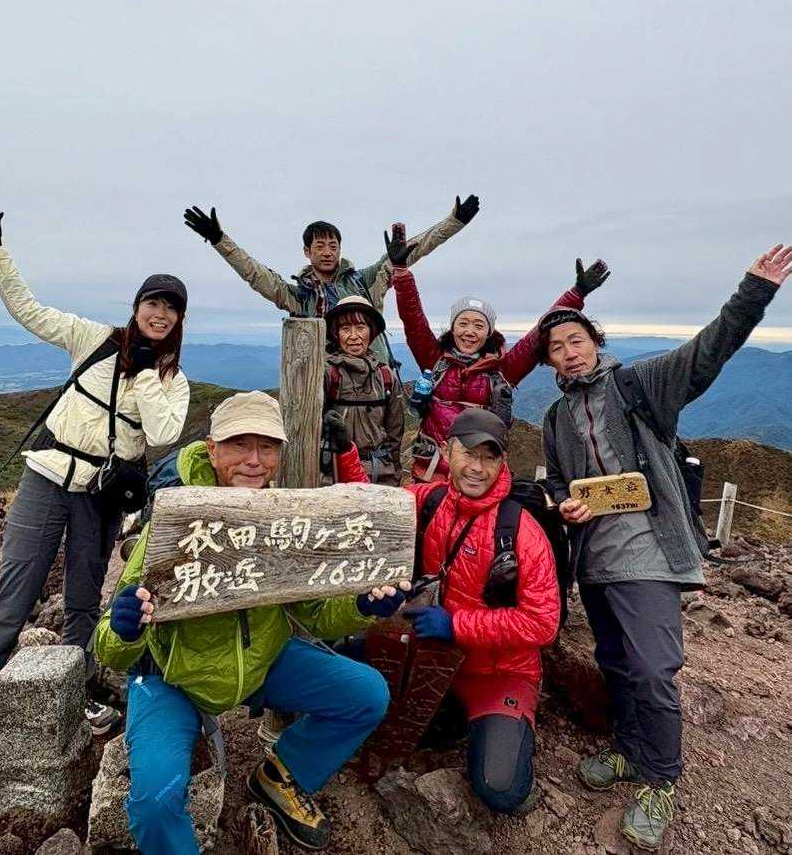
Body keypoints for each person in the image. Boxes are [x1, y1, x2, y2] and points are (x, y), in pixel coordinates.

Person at [539, 244, 792, 852]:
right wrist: (562, 502)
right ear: (548, 361)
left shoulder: (639, 384)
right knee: (615, 662)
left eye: (577, 340)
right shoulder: (553, 417)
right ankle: (630, 750)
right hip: (593, 560)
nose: (569, 351)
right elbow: (557, 480)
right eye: (557, 347)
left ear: (595, 342)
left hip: (649, 551)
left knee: (653, 667)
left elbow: (709, 350)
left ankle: (659, 780)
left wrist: (754, 290)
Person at [94, 391, 410, 854]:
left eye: (267, 446)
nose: (254, 460)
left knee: (365, 694)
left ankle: (281, 776)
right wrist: (127, 629)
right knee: (155, 804)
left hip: (262, 659)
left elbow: (316, 615)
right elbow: (108, 646)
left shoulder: (282, 519)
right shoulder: (177, 520)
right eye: (239, 444)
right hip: (174, 677)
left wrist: (362, 607)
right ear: (211, 450)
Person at [0, 206, 190, 784]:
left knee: (83, 598)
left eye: (170, 308)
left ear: (179, 320)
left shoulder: (172, 379)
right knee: (13, 596)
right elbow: (29, 311)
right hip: (47, 476)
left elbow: (163, 434)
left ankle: (74, 690)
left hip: (100, 495)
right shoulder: (92, 338)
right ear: (137, 306)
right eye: (152, 303)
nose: (159, 313)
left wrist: (146, 373)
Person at [330, 407, 560, 815]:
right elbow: (374, 509)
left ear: (502, 463)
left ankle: (480, 723)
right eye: (468, 453)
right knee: (335, 659)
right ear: (447, 451)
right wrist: (346, 452)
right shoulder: (431, 499)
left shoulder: (521, 532)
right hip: (430, 655)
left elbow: (543, 623)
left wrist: (457, 624)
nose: (477, 468)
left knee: (501, 789)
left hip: (498, 672)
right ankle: (448, 718)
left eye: (489, 457)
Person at [385, 225, 609, 478]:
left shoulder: (502, 370)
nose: (470, 331)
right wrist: (401, 271)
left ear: (489, 333)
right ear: (453, 328)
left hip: (481, 476)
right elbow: (413, 319)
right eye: (463, 323)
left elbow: (537, 336)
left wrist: (577, 294)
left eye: (479, 325)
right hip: (432, 473)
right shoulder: (434, 359)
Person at [183, 196, 480, 362]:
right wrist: (219, 240)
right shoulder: (299, 295)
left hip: (373, 376)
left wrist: (454, 221)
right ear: (307, 251)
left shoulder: (364, 282)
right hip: (324, 382)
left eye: (333, 246)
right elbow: (255, 274)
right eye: (320, 246)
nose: (327, 252)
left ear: (340, 249)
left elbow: (413, 249)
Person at [321, 295, 404, 486]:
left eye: (360, 327)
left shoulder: (386, 376)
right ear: (336, 334)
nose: (353, 336)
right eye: (345, 329)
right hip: (335, 474)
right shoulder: (327, 374)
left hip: (381, 475)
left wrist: (395, 476)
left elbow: (395, 434)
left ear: (371, 332)